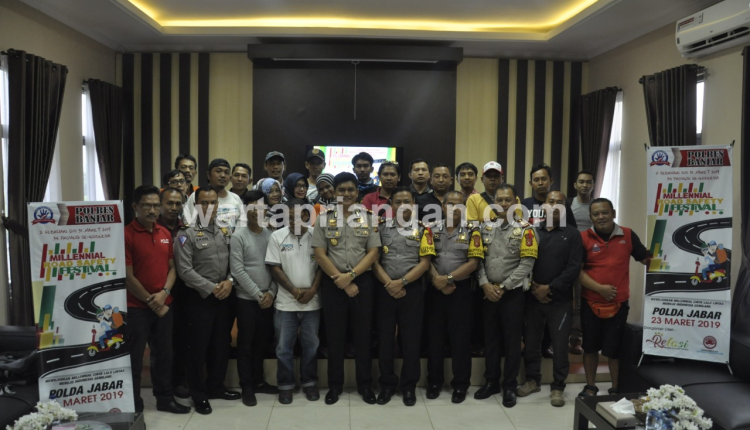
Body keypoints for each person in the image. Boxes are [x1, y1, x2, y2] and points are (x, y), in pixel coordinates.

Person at [312, 172, 381, 405]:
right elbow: (320, 254)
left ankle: (365, 385)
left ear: (357, 192)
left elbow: (373, 252)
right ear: (335, 193)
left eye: (351, 189)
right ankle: (335, 386)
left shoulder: (368, 218)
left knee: (363, 336)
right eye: (342, 190)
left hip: (362, 282)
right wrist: (340, 279)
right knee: (335, 337)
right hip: (333, 283)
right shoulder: (324, 218)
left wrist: (350, 277)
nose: (347, 194)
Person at [124, 186, 190, 414]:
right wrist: (152, 301)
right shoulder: (126, 234)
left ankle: (164, 399)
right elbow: (127, 276)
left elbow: (173, 268)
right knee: (134, 359)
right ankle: (134, 404)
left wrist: (163, 294)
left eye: (155, 206)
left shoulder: (164, 233)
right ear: (135, 207)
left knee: (164, 356)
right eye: (146, 206)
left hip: (164, 304)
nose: (152, 210)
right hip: (136, 307)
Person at [174, 187, 239, 415]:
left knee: (221, 345)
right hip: (199, 298)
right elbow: (184, 271)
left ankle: (216, 386)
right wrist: (212, 288)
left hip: (224, 296)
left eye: (213, 202)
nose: (209, 207)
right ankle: (199, 394)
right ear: (196, 205)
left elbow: (234, 261)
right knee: (197, 349)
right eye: (204, 202)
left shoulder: (225, 230)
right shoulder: (186, 234)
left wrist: (229, 281)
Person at [578, 198, 650, 398]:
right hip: (590, 302)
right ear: (591, 217)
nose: (601, 217)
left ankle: (616, 389)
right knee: (590, 347)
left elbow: (645, 258)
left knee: (614, 349)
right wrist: (599, 289)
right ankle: (590, 386)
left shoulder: (628, 234)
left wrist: (670, 255)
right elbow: (577, 271)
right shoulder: (583, 238)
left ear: (613, 213)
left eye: (605, 212)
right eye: (596, 214)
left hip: (619, 304)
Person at [517, 191, 582, 407]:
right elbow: (524, 261)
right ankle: (532, 380)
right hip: (533, 297)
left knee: (560, 345)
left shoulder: (573, 234)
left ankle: (558, 387)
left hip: (560, 300)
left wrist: (549, 288)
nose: (554, 205)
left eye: (559, 203)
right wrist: (536, 287)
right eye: (550, 202)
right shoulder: (533, 231)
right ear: (543, 206)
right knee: (532, 342)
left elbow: (574, 267)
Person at [475, 183, 538, 408]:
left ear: (515, 202)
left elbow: (527, 264)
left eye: (507, 200)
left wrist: (503, 286)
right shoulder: (484, 228)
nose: (503, 204)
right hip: (488, 293)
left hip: (512, 294)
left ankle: (509, 385)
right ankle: (491, 381)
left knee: (512, 342)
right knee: (490, 340)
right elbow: (477, 260)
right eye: (499, 200)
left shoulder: (526, 229)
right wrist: (484, 284)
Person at [372, 187, 435, 406]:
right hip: (385, 289)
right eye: (397, 202)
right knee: (385, 340)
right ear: (391, 205)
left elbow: (425, 263)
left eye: (406, 201)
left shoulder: (424, 229)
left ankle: (409, 386)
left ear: (413, 204)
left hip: (412, 290)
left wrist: (402, 282)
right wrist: (389, 284)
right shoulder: (380, 228)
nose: (402, 206)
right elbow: (374, 261)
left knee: (411, 340)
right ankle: (387, 385)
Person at [425, 191, 484, 403]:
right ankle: (434, 382)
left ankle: (460, 384)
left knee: (461, 339)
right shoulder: (430, 229)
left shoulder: (473, 231)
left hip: (461, 291)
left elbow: (474, 263)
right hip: (435, 290)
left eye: (459, 205)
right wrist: (438, 281)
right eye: (450, 204)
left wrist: (448, 279)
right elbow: (426, 259)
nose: (454, 208)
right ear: (443, 206)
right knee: (435, 338)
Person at [266, 199, 323, 404]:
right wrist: (293, 291)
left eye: (297, 217)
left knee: (311, 346)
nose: (292, 221)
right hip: (285, 302)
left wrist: (313, 290)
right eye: (289, 217)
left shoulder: (317, 235)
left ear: (307, 216)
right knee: (283, 347)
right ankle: (285, 385)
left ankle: (309, 383)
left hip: (312, 302)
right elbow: (275, 268)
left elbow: (322, 267)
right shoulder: (277, 236)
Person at [230, 189, 279, 406]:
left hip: (268, 298)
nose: (256, 210)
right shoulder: (238, 236)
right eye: (251, 206)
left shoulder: (271, 235)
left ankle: (259, 381)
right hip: (247, 300)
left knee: (262, 343)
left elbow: (277, 267)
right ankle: (247, 386)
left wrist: (271, 293)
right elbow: (237, 270)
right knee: (246, 344)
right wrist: (259, 295)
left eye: (260, 206)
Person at [156, 189, 190, 399]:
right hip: (158, 293)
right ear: (161, 204)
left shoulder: (186, 229)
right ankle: (163, 386)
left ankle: (178, 381)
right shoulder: (153, 227)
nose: (174, 207)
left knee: (181, 339)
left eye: (178, 204)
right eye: (169, 203)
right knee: (162, 344)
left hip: (184, 291)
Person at [566, 170, 595, 355]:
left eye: (588, 182)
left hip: (589, 260)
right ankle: (555, 339)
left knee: (579, 301)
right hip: (566, 258)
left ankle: (576, 339)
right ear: (575, 185)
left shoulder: (597, 206)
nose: (585, 185)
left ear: (593, 185)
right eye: (581, 182)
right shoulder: (567, 204)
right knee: (561, 300)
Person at [184, 159, 243, 230]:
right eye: (218, 171)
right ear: (208, 175)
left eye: (226, 172)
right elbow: (188, 223)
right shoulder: (196, 196)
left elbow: (241, 226)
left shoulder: (236, 198)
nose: (223, 175)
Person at [521, 164, 576, 228]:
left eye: (544, 179)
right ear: (531, 184)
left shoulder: (561, 203)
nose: (540, 183)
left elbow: (572, 229)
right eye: (536, 180)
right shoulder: (524, 204)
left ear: (551, 181)